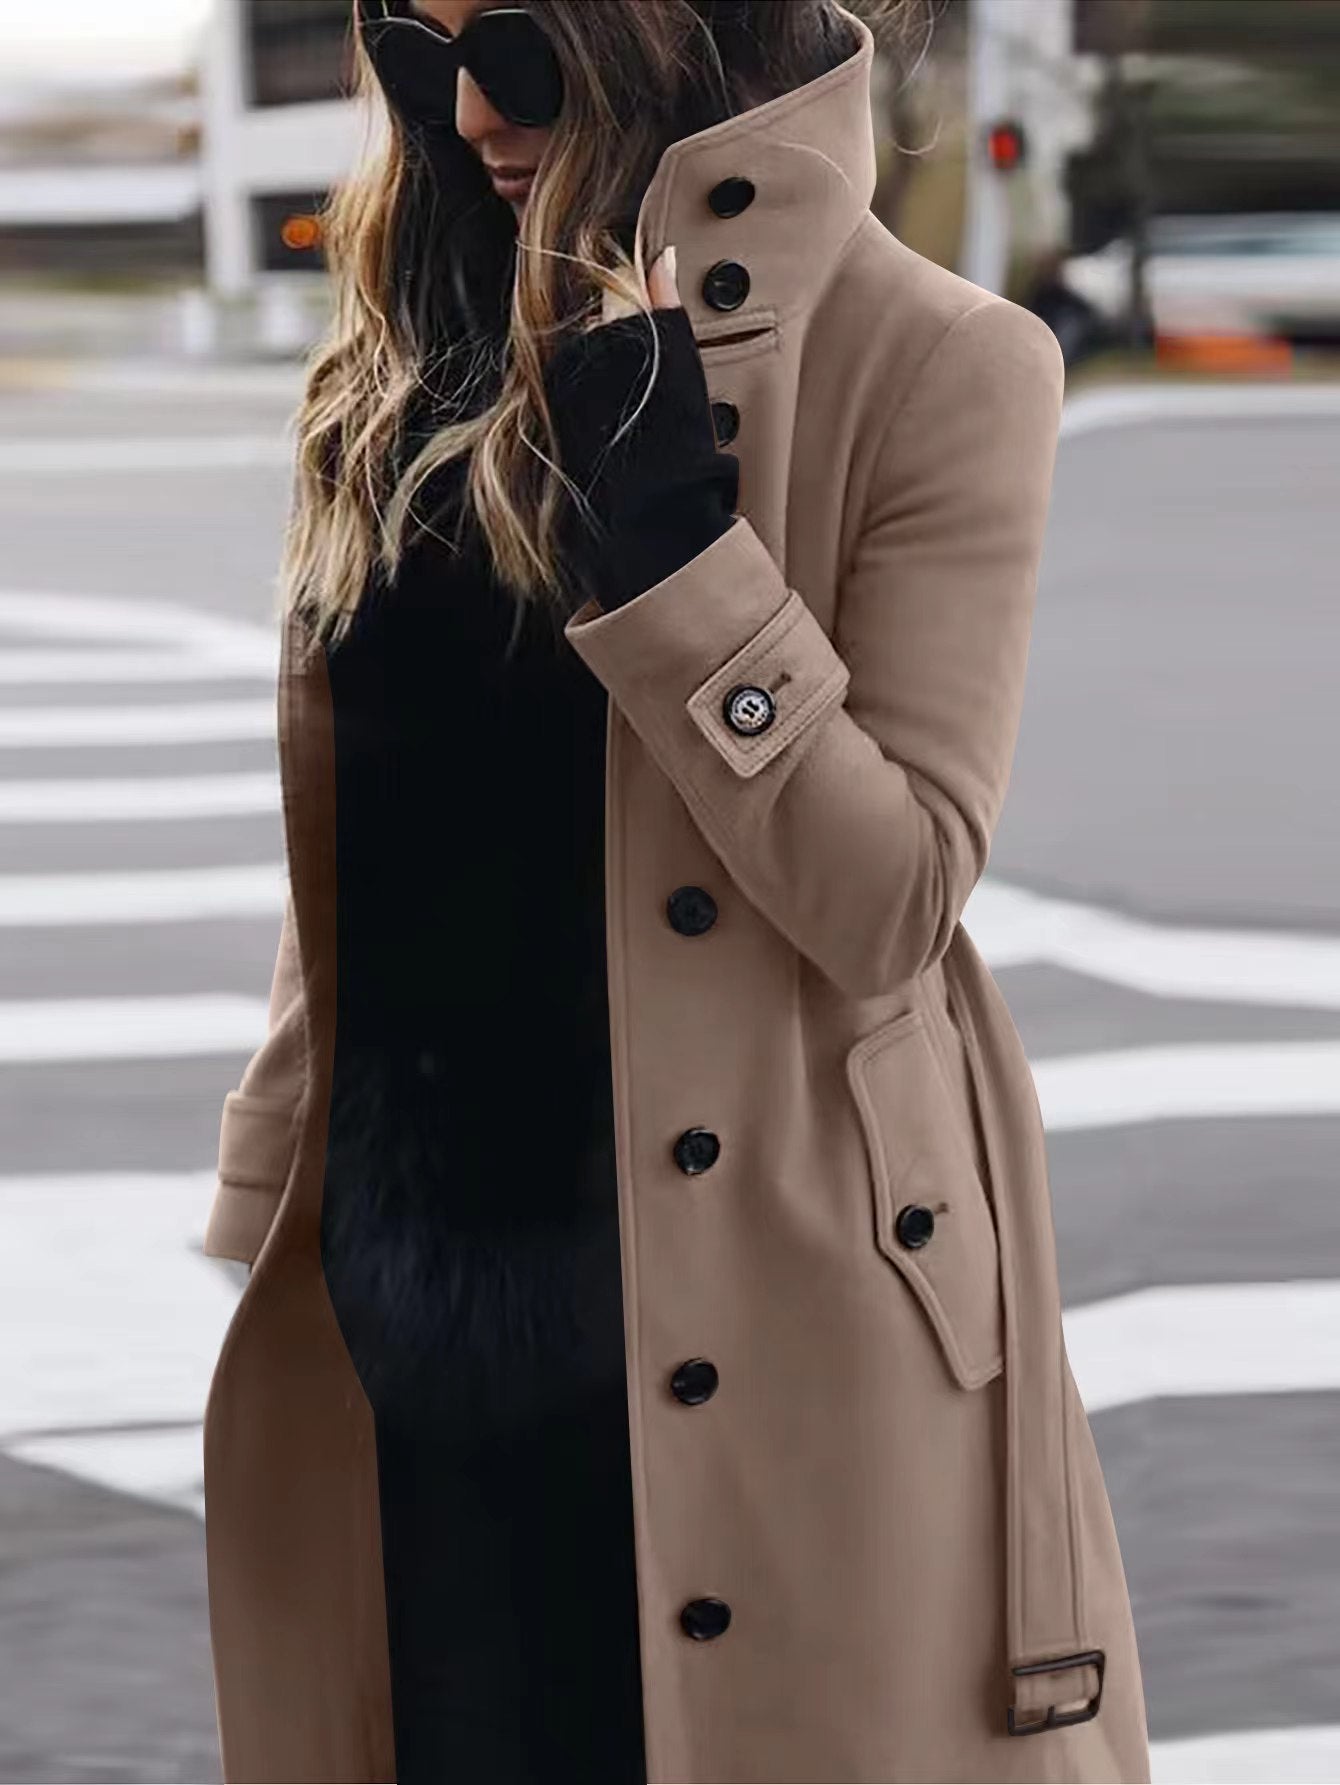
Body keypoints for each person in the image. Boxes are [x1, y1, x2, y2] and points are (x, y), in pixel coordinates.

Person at [201, 3, 1151, 1782]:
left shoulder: (941, 360)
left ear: (677, 37)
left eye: (528, 54)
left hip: (756, 1300)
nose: (473, 112)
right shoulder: (404, 364)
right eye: (421, 56)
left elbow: (893, 894)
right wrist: (278, 1177)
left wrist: (680, 553)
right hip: (417, 1301)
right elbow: (378, 819)